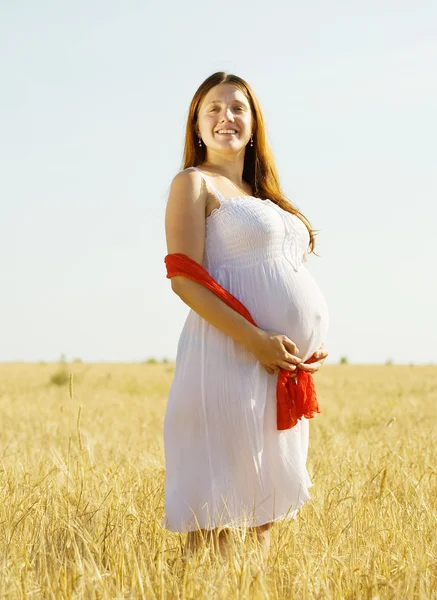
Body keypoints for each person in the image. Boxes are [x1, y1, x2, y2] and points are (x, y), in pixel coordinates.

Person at [162, 71, 329, 561]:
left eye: (237, 108)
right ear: (196, 124)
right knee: (217, 505)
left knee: (260, 509)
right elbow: (184, 278)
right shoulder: (193, 183)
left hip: (277, 370)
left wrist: (305, 335)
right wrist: (256, 339)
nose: (225, 117)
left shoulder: (263, 196)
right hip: (226, 357)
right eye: (212, 108)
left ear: (254, 124)